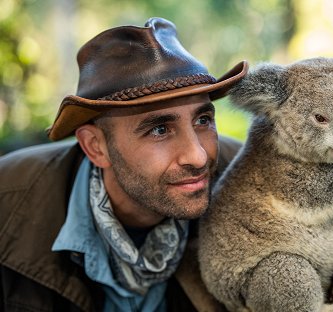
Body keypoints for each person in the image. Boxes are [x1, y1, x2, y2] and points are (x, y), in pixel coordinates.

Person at [0, 17, 248, 311]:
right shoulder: (7, 201)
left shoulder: (248, 177)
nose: (197, 156)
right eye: (159, 129)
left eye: (203, 120)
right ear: (96, 146)